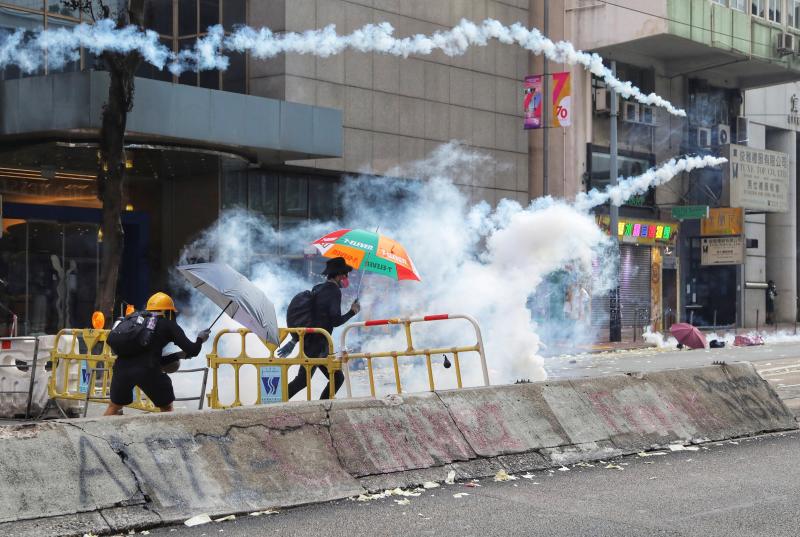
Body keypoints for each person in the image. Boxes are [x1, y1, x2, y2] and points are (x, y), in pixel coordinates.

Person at [104, 292, 210, 415]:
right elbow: (193, 350)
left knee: (114, 407)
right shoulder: (167, 324)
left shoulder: (136, 320)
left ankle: (94, 432)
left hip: (121, 369)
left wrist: (178, 355)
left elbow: (145, 355)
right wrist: (201, 339)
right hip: (147, 370)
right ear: (168, 311)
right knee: (167, 408)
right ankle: (168, 433)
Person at [279, 257, 361, 400]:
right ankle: (322, 407)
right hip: (319, 344)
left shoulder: (318, 288)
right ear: (339, 275)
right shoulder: (334, 290)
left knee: (305, 380)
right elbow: (335, 320)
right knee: (334, 379)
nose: (346, 278)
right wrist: (352, 312)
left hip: (310, 341)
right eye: (345, 274)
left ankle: (278, 401)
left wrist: (294, 341)